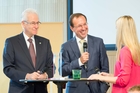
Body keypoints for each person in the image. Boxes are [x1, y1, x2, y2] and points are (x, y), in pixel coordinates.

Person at [3, 8, 53, 93]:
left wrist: (45, 75)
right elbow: (8, 68)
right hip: (20, 90)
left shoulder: (45, 42)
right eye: (33, 23)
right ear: (23, 24)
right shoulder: (11, 42)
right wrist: (27, 76)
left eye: (38, 23)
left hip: (40, 90)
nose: (36, 26)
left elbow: (51, 67)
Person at [88, 15, 140, 93]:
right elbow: (129, 76)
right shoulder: (136, 49)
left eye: (117, 28)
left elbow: (123, 80)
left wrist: (99, 77)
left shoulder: (125, 51)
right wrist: (110, 76)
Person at [59, 13, 109, 93]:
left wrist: (102, 89)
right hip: (75, 90)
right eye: (79, 26)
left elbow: (105, 69)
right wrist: (79, 62)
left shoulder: (98, 42)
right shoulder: (66, 47)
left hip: (96, 90)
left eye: (85, 24)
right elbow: (62, 71)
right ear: (72, 28)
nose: (83, 28)